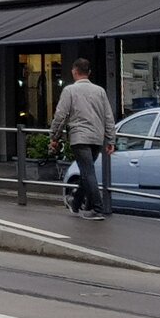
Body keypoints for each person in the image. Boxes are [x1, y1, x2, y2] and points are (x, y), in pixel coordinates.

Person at [50, 57, 116, 221]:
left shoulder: (69, 91)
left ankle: (97, 208)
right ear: (89, 73)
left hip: (79, 137)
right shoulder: (100, 91)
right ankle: (76, 202)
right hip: (96, 137)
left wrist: (54, 137)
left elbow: (61, 115)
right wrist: (111, 140)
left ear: (74, 71)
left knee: (88, 172)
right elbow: (108, 116)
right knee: (88, 172)